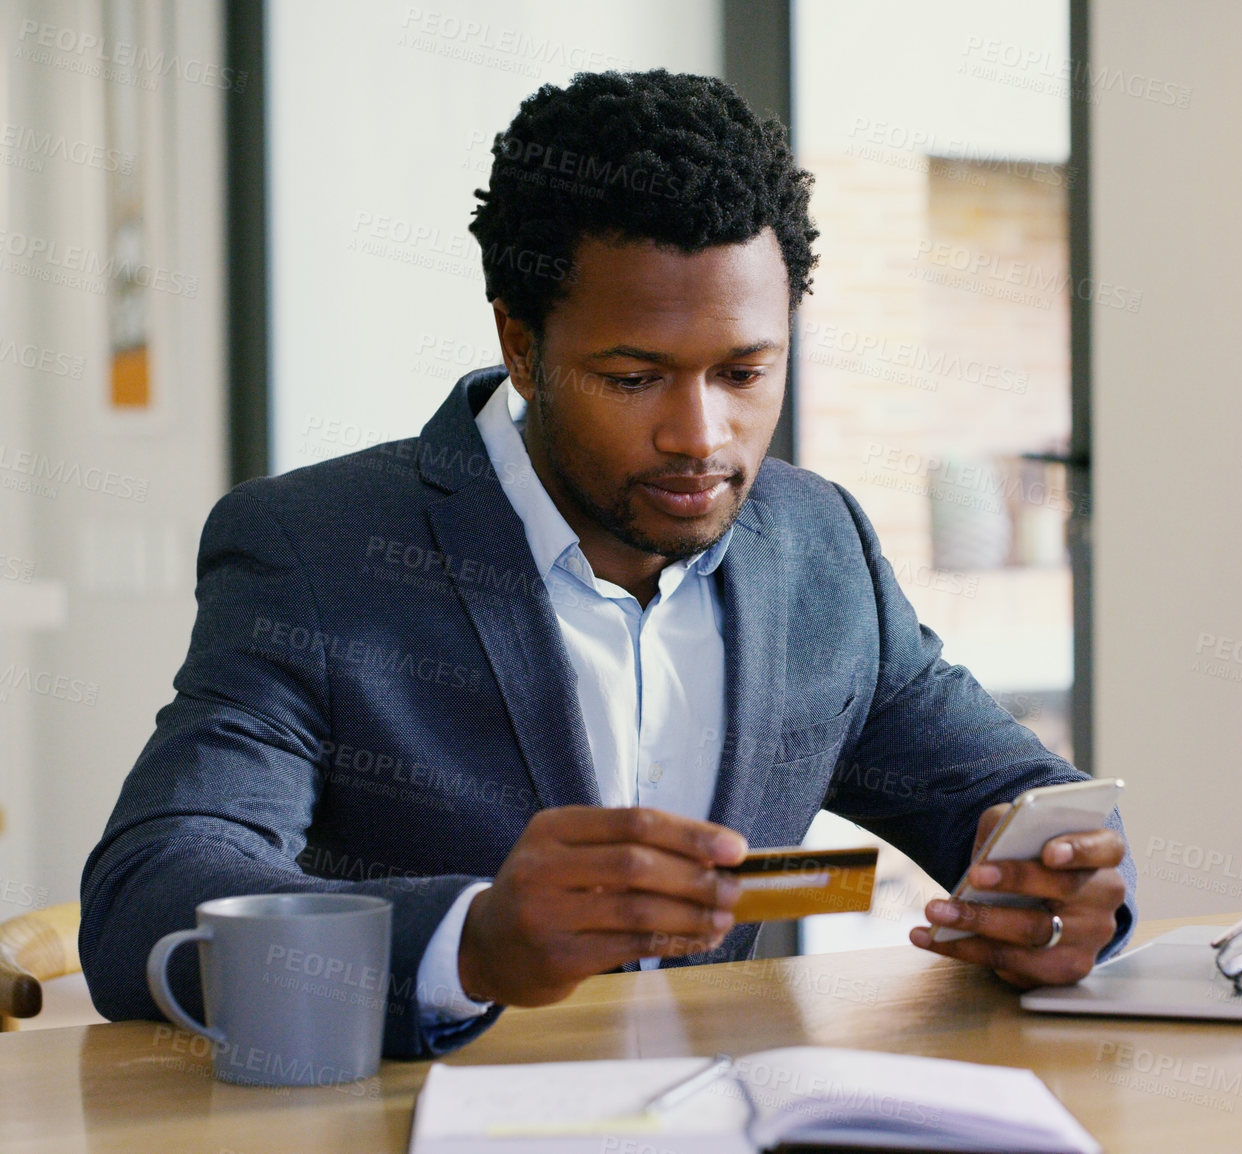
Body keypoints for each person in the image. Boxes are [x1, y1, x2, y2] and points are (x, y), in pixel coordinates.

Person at [80, 70, 1136, 1058]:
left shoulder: (817, 548)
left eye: (743, 370)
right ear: (521, 345)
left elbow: (1012, 796)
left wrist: (1060, 885)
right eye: (634, 377)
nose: (700, 433)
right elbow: (150, 892)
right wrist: (470, 940)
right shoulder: (318, 549)